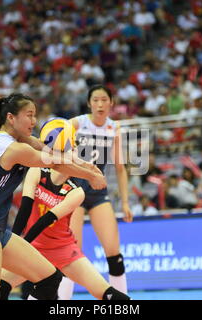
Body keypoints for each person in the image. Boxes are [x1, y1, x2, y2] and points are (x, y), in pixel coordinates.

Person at [0, 93, 106, 300]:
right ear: (11, 117)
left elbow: (45, 149)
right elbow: (53, 162)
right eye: (29, 115)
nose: (35, 121)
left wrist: (85, 165)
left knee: (50, 278)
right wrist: (91, 176)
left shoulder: (0, 132)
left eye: (35, 115)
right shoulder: (12, 149)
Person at [0, 123, 129, 300]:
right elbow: (24, 210)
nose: (75, 154)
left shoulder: (77, 192)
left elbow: (46, 220)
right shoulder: (37, 171)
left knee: (105, 293)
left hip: (63, 249)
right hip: (35, 247)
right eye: (72, 148)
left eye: (75, 150)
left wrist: (22, 245)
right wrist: (14, 245)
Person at [67, 84, 133, 297]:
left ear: (111, 103)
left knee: (114, 254)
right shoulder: (77, 123)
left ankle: (122, 304)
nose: (100, 104)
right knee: (70, 255)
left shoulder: (114, 128)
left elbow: (120, 168)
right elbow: (56, 141)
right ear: (89, 103)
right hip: (74, 192)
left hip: (97, 194)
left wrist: (125, 202)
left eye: (104, 100)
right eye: (95, 100)